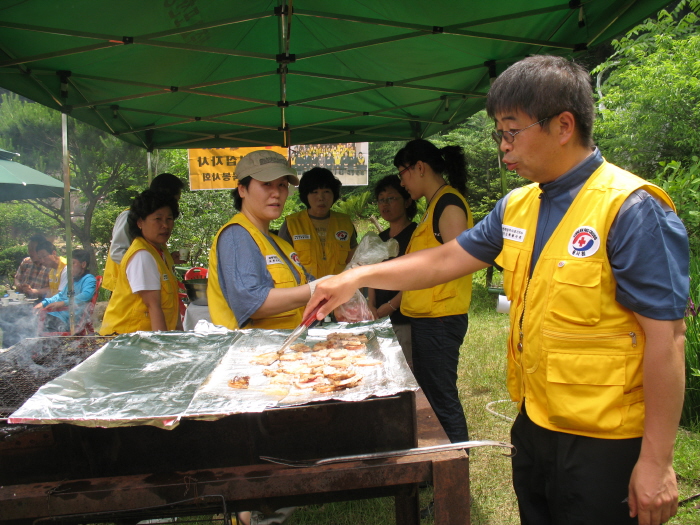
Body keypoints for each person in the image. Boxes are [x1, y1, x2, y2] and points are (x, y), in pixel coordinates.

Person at [305, 55, 688, 525]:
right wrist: (356, 277)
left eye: (512, 131)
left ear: (563, 125)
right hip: (534, 424)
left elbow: (666, 340)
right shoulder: (519, 205)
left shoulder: (631, 209)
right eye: (498, 134)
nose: (503, 147)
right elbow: (445, 259)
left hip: (606, 439)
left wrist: (656, 461)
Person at [393, 138, 474, 444]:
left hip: (441, 318)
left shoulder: (448, 204)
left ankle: (455, 474)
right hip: (429, 318)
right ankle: (443, 467)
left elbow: (460, 261)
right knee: (433, 393)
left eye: (403, 173)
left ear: (420, 167)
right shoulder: (434, 204)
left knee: (441, 397)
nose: (402, 183)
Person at [208, 149, 323, 330]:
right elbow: (251, 302)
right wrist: (320, 288)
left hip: (285, 351)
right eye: (266, 184)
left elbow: (305, 285)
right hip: (251, 353)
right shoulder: (237, 236)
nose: (276, 193)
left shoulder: (280, 244)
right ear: (242, 190)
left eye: (282, 185)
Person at [100, 189, 183, 334]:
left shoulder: (160, 251)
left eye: (169, 219)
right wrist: (164, 347)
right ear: (140, 222)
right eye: (158, 219)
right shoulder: (142, 255)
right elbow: (153, 306)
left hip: (146, 340)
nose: (165, 225)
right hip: (128, 339)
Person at [103, 173, 185, 291]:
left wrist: (168, 259)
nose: (175, 205)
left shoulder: (160, 223)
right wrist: (145, 265)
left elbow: (152, 253)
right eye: (175, 200)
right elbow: (117, 252)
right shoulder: (129, 216)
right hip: (126, 286)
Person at [367, 176, 417, 368]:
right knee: (381, 366)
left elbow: (417, 278)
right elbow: (372, 273)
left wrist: (391, 305)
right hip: (379, 316)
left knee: (404, 368)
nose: (385, 204)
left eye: (391, 198)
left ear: (407, 201)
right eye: (381, 199)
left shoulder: (416, 235)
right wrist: (371, 305)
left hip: (404, 318)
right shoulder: (380, 238)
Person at [279, 167, 357, 278]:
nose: (321, 197)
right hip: (304, 291)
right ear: (306, 195)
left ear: (333, 194)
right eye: (314, 192)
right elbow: (282, 264)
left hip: (338, 290)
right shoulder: (292, 224)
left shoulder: (345, 223)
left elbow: (353, 261)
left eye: (326, 192)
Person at [34, 249, 97, 333]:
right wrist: (44, 303)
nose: (69, 267)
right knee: (31, 320)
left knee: (38, 326)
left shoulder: (88, 279)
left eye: (73, 263)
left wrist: (63, 303)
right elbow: (60, 296)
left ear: (83, 264)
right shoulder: (72, 281)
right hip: (57, 316)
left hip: (68, 320)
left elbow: (86, 295)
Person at [14, 234, 50, 300]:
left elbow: (54, 289)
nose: (30, 252)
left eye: (32, 249)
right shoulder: (26, 261)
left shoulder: (50, 266)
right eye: (29, 249)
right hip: (24, 300)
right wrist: (20, 286)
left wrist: (35, 291)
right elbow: (17, 278)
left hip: (42, 301)